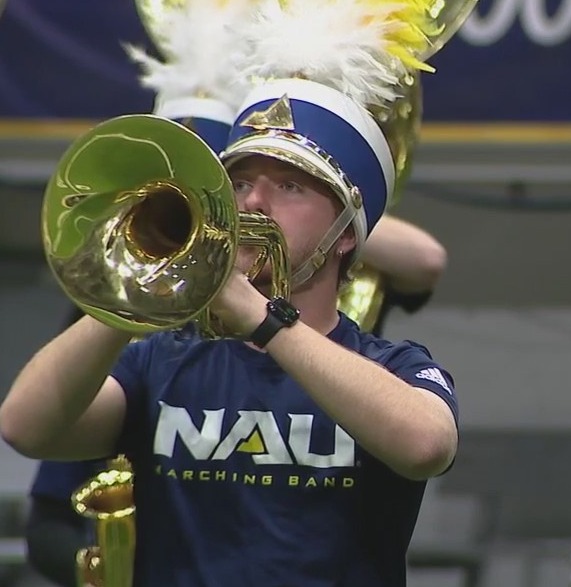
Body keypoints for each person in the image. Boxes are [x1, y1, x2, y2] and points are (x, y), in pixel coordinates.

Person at [2, 3, 457, 587]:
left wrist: (266, 324)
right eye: (239, 181)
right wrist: (134, 289)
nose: (252, 204)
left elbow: (426, 446)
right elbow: (26, 427)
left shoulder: (392, 366)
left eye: (289, 186)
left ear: (347, 234)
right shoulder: (160, 361)